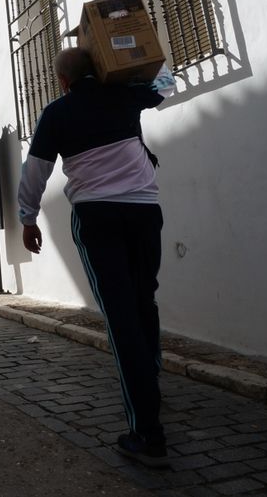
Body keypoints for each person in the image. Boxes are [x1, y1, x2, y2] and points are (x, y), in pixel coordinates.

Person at [18, 45, 168, 466]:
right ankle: (150, 381)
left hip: (98, 217)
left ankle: (147, 433)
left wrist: (28, 218)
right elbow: (165, 84)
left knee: (121, 319)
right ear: (97, 69)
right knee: (144, 300)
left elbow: (36, 170)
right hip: (145, 211)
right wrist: (133, 62)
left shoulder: (57, 113)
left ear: (63, 81)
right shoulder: (126, 96)